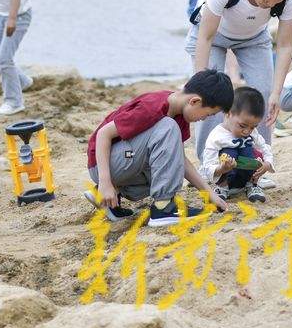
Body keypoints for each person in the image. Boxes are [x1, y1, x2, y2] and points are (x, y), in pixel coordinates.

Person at [187, 0, 292, 187]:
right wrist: (201, 84)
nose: (270, 3)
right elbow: (205, 37)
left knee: (264, 95)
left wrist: (276, 92)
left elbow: (285, 45)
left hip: (253, 37)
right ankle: (209, 169)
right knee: (211, 98)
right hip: (212, 36)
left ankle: (256, 169)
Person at [83, 69, 233, 226]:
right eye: (207, 114)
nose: (203, 119)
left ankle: (106, 196)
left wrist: (209, 194)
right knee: (168, 126)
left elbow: (178, 159)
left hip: (124, 163)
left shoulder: (180, 116)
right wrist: (105, 181)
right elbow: (103, 134)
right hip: (103, 164)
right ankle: (163, 207)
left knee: (172, 167)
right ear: (194, 101)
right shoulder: (153, 108)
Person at [199, 87, 274, 203]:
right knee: (229, 152)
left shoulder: (252, 133)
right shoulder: (217, 136)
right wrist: (221, 168)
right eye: (242, 126)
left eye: (253, 127)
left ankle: (251, 185)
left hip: (246, 176)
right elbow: (208, 164)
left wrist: (267, 164)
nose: (247, 131)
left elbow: (265, 148)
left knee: (250, 149)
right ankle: (222, 188)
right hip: (226, 176)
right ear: (228, 113)